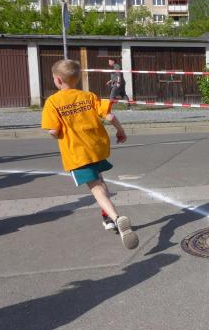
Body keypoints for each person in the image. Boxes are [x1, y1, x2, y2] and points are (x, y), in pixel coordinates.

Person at [41, 59, 138, 250]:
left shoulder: (52, 102)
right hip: (96, 147)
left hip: (77, 153)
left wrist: (58, 134)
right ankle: (107, 218)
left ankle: (117, 218)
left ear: (58, 80)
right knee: (99, 180)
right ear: (77, 78)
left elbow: (53, 131)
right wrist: (121, 131)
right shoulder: (88, 96)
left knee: (96, 188)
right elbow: (110, 116)